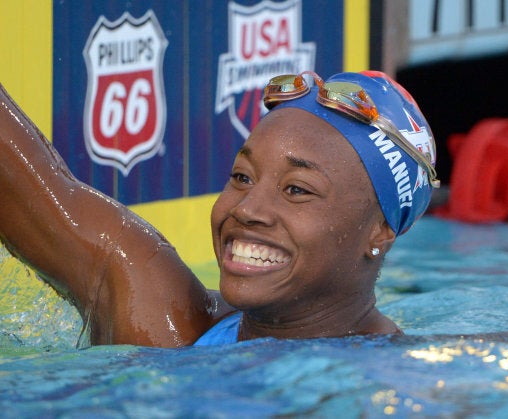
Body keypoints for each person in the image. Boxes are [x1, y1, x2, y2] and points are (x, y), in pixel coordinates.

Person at [0, 70, 438, 348]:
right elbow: (25, 181)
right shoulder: (162, 319)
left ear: (379, 230)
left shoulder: (400, 387)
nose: (247, 209)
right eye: (242, 177)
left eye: (297, 190)